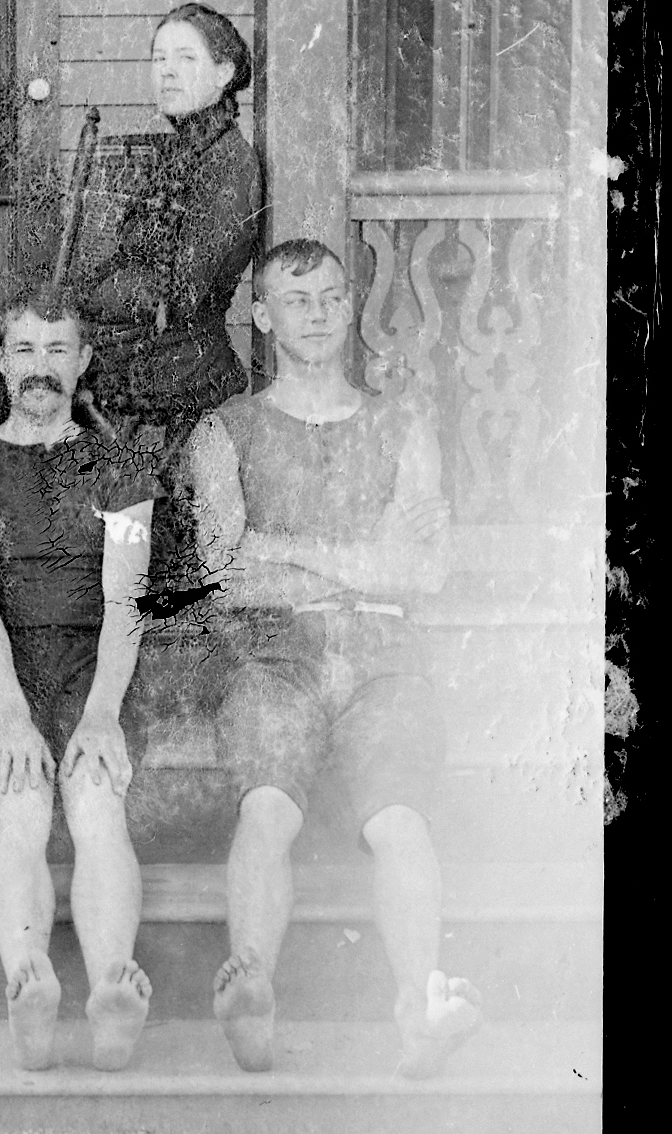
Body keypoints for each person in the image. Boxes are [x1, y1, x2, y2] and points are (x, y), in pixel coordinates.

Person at [183, 238, 483, 1079]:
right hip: (276, 649)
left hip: (385, 651)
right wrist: (362, 552)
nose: (314, 313)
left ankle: (418, 1005)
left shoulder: (401, 421)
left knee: (399, 820)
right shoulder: (224, 431)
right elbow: (225, 576)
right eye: (294, 296)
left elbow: (425, 570)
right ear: (261, 314)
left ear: (351, 305)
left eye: (328, 296)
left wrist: (285, 548)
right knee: (268, 808)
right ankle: (255, 994)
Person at [0, 282, 161, 1071]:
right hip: (3, 664)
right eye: (25, 349)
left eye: (58, 348)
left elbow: (124, 600)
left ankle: (108, 992)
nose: (41, 366)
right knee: (21, 798)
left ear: (83, 359)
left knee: (98, 798)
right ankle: (27, 983)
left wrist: (101, 713)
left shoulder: (122, 466)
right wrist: (12, 715)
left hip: (92, 660)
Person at [68, 2, 267, 600]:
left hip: (182, 387)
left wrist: (96, 288)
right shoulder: (179, 152)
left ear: (226, 71)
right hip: (135, 379)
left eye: (186, 58)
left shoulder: (229, 163)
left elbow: (181, 286)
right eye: (159, 59)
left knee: (165, 567)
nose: (167, 72)